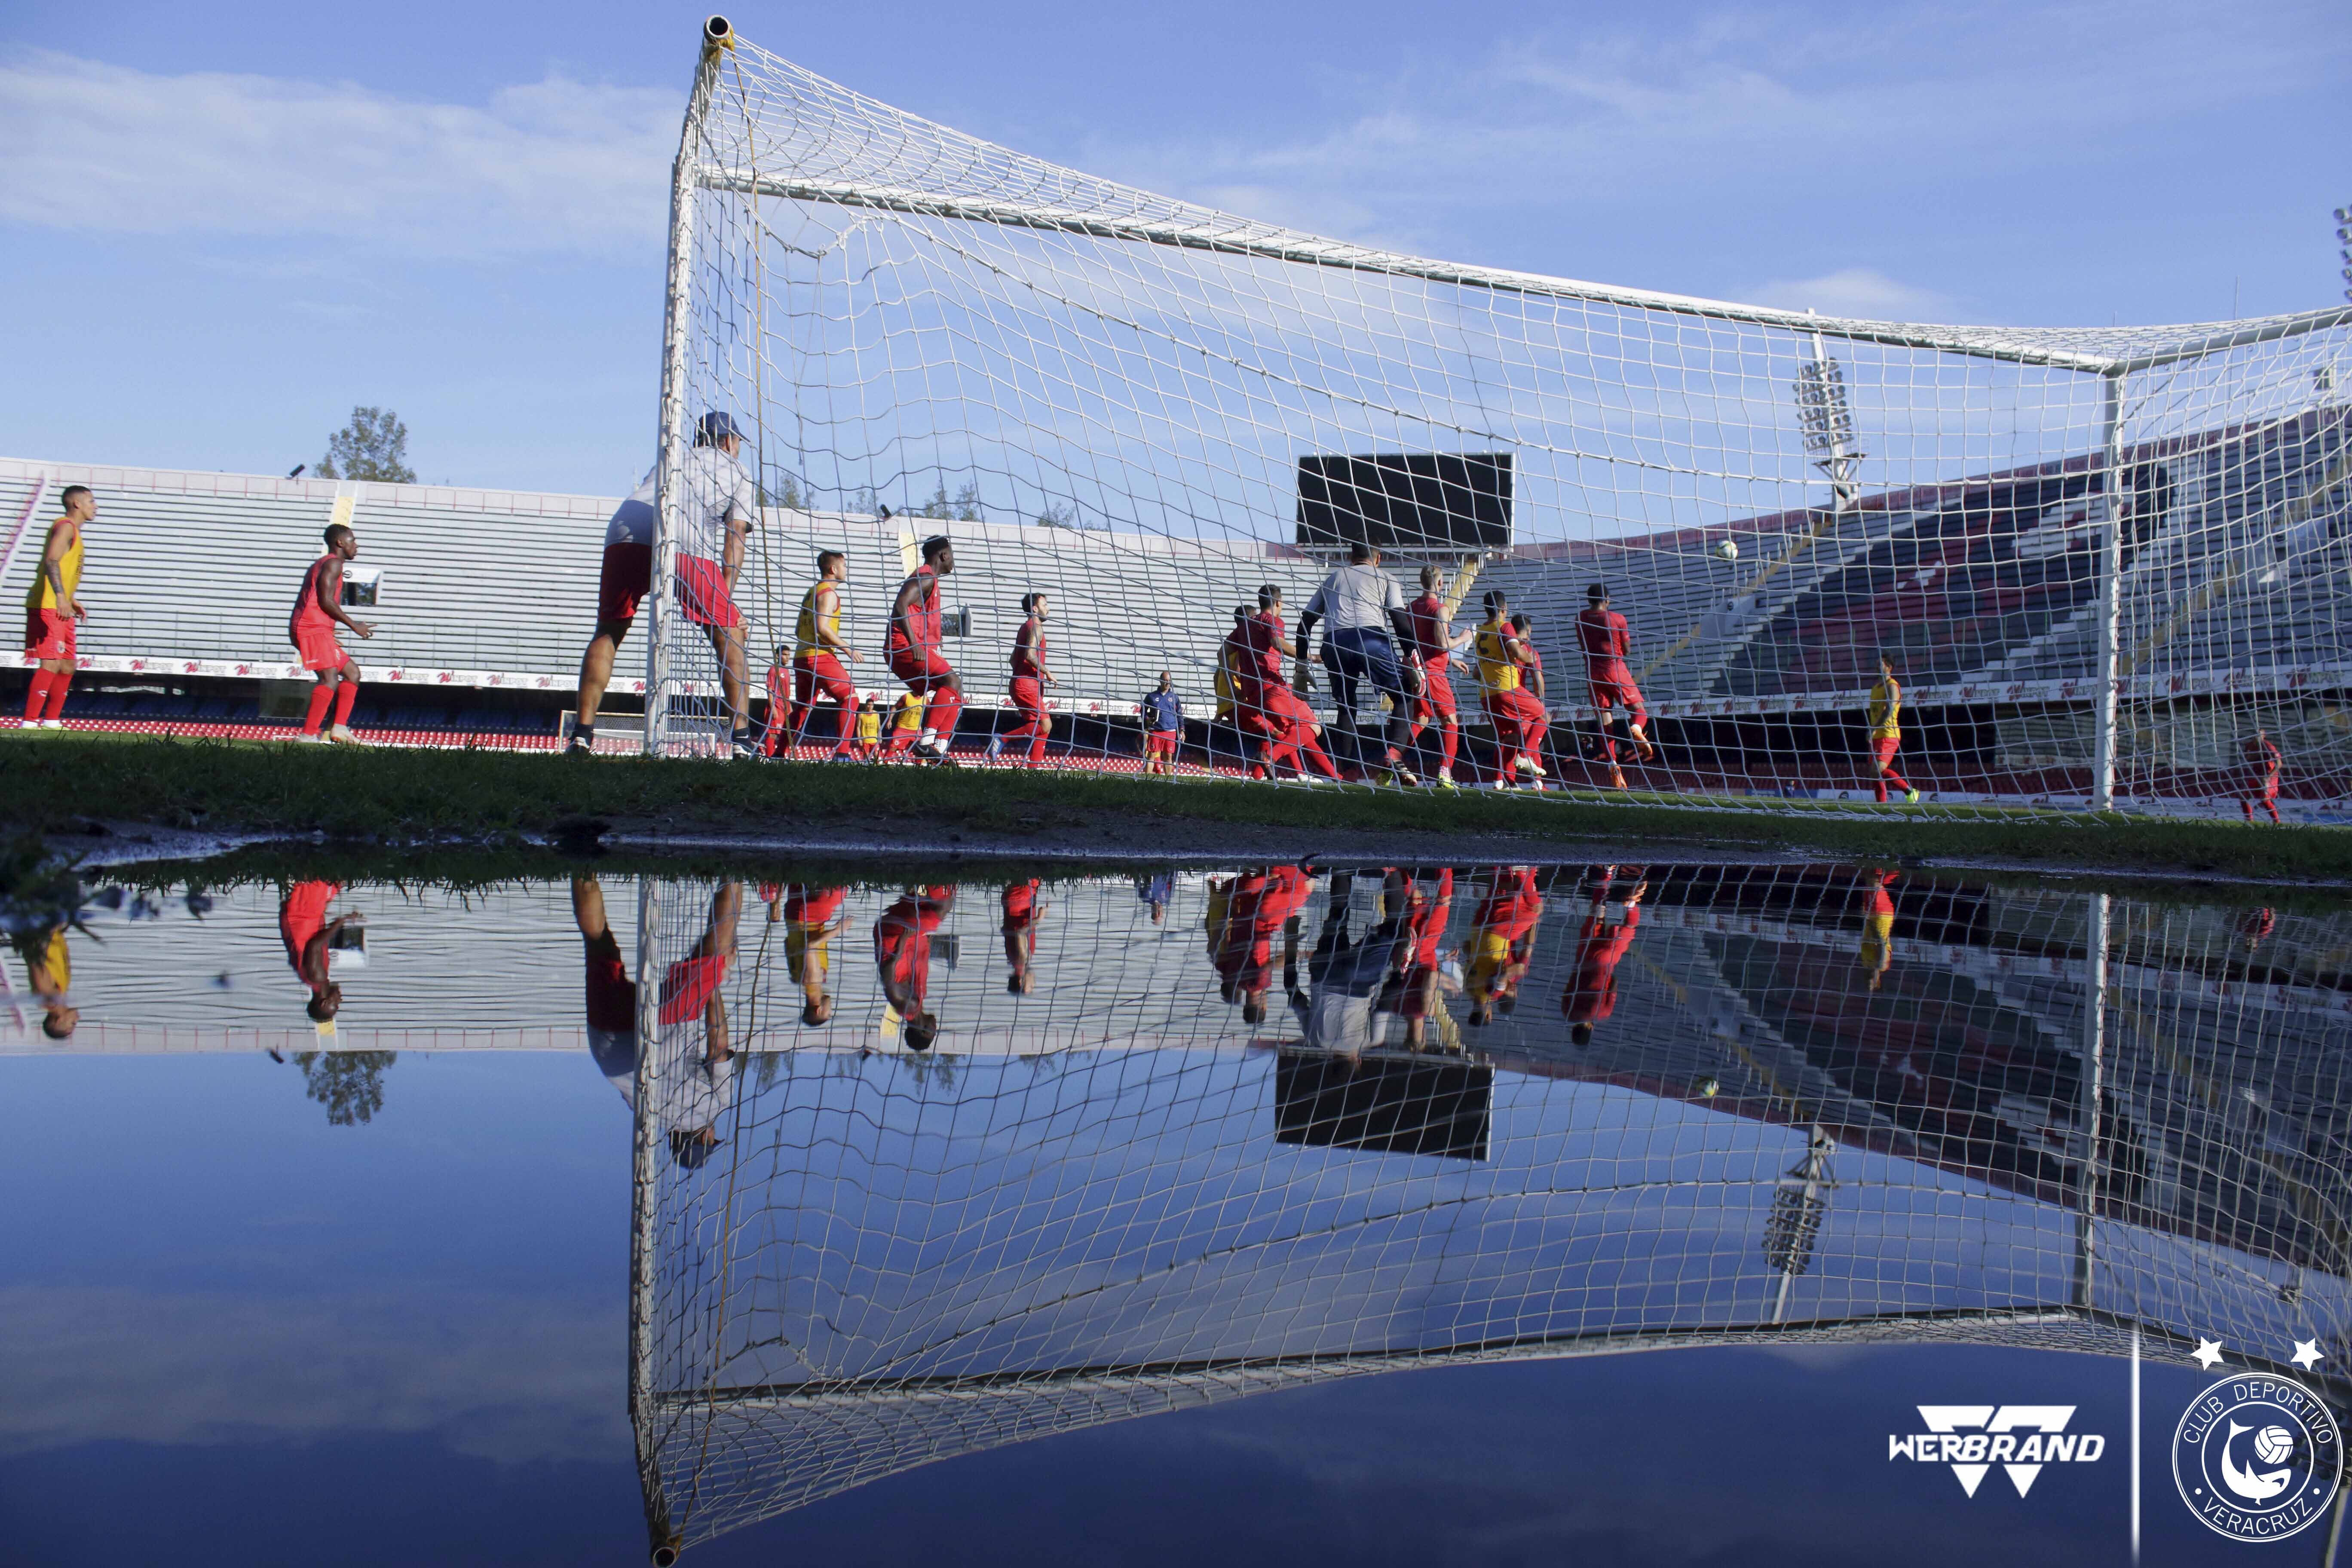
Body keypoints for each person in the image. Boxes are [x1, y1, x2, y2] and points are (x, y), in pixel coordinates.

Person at [570, 412, 760, 758]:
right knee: (730, 632)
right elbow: (735, 540)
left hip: (626, 528)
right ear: (727, 441)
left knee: (609, 630)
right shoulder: (738, 471)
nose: (738, 449)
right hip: (681, 536)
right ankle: (741, 739)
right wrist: (727, 604)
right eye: (737, 442)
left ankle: (581, 736)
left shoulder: (671, 458)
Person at [1295, 542, 1421, 784]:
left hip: (1335, 643)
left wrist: (1301, 668)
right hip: (1371, 640)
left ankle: (1348, 773)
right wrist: (1413, 657)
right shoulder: (1386, 578)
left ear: (1351, 557)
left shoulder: (1333, 579)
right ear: (1379, 558)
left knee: (1346, 706)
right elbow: (1399, 620)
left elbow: (1304, 625)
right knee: (1404, 696)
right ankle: (1393, 755)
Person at [654, 882, 743, 1169]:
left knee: (719, 952)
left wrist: (714, 985)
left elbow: (718, 1044)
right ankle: (736, 877)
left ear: (705, 1138)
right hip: (641, 1020)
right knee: (713, 948)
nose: (714, 1135)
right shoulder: (652, 1114)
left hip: (677, 1017)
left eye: (712, 1140)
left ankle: (732, 870)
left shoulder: (716, 1107)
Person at [284, 524, 375, 745]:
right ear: (340, 543)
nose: (357, 546)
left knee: (352, 673)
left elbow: (310, 600)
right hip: (311, 627)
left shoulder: (325, 564)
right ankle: (307, 736)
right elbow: (326, 601)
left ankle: (340, 728)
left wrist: (326, 630)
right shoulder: (333, 564)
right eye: (353, 541)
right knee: (330, 679)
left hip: (316, 628)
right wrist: (354, 626)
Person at [1239, 585, 1340, 782]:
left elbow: (1224, 652)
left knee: (1290, 732)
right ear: (1279, 603)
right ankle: (1272, 758)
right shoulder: (1273, 620)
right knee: (1313, 726)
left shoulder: (1245, 625)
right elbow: (1278, 643)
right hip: (1271, 686)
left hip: (1251, 694)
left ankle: (1336, 777)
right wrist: (1310, 657)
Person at [769, 549, 861, 759]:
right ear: (834, 569)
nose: (846, 570)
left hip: (801, 657)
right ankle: (842, 756)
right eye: (844, 566)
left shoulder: (811, 593)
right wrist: (848, 649)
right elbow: (823, 628)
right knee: (850, 699)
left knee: (803, 708)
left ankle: (779, 754)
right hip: (819, 657)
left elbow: (797, 630)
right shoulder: (828, 593)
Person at [21, 484, 92, 730]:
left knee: (68, 665)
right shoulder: (66, 527)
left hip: (61, 605)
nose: (96, 507)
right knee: (51, 662)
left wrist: (70, 599)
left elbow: (61, 567)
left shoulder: (74, 532)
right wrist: (61, 596)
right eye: (92, 501)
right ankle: (29, 722)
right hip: (49, 605)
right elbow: (52, 560)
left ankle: (52, 721)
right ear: (77, 504)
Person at [887, 535, 963, 763]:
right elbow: (900, 604)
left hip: (914, 647)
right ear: (944, 555)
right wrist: (914, 643)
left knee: (956, 692)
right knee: (952, 682)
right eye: (952, 555)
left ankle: (938, 750)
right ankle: (926, 743)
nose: (954, 561)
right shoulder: (926, 577)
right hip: (903, 646)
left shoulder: (931, 581)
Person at [1576, 584, 1656, 781]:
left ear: (1589, 600)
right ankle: (1637, 729)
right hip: (1614, 668)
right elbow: (1627, 649)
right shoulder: (1617, 619)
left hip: (1593, 673)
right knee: (1639, 710)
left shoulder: (1580, 618)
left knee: (1605, 719)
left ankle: (1613, 763)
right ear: (1608, 600)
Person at [1404, 565, 1473, 787]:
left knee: (1420, 721)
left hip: (1416, 673)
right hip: (1434, 675)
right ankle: (1445, 774)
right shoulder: (1440, 609)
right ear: (1441, 583)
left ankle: (1390, 762)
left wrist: (1450, 660)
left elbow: (1421, 643)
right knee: (1451, 721)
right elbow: (1442, 643)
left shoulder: (1410, 608)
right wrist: (1463, 638)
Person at [1473, 591, 1549, 787]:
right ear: (1504, 609)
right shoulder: (1505, 627)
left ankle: (1502, 782)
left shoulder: (1481, 632)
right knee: (1543, 716)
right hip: (1508, 690)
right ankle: (1526, 759)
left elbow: (1476, 674)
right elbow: (1518, 654)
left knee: (1508, 738)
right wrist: (1530, 658)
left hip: (1487, 696)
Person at [574, 874, 639, 1102]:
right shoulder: (642, 1109)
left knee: (700, 967)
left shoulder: (708, 1106)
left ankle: (583, 862)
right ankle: (582, 867)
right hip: (609, 1053)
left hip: (639, 1055)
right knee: (598, 943)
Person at [1562, 869, 1645, 1045]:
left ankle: (1631, 904)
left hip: (1607, 961)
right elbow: (1570, 984)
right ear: (1573, 1030)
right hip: (1585, 955)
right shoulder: (1567, 1011)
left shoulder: (1603, 1013)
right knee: (1597, 912)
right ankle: (1607, 873)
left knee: (1630, 927)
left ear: (1590, 1029)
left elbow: (1614, 984)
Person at [1462, 866, 1544, 1026]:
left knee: (1535, 910)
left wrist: (1515, 970)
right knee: (1499, 888)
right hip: (1478, 929)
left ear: (1488, 1016)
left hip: (1498, 934)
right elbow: (1467, 949)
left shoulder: (1492, 994)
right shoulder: (1469, 989)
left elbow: (1499, 977)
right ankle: (1502, 862)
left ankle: (1524, 871)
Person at [876, 884, 956, 1049]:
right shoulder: (917, 1002)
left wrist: (900, 946)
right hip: (904, 936)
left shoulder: (907, 1006)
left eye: (934, 1033)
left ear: (924, 1031)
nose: (936, 1028)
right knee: (933, 905)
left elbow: (887, 978)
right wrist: (924, 942)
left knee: (942, 909)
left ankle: (943, 877)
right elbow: (916, 964)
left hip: (896, 936)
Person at [1393, 869, 1457, 1051]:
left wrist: (1448, 981)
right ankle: (1398, 865)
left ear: (1423, 1037)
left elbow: (1429, 979)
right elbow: (1407, 976)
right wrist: (1442, 959)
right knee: (1414, 899)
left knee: (1444, 901)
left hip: (1425, 946)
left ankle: (1445, 864)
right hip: (1410, 951)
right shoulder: (1398, 1008)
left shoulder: (1426, 1010)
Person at [990, 591, 1056, 766]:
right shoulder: (1036, 627)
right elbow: (1030, 655)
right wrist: (1047, 673)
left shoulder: (1025, 627)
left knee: (1040, 726)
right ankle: (1003, 739)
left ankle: (1034, 768)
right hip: (1027, 684)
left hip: (1022, 683)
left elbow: (1013, 659)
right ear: (1035, 609)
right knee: (1046, 725)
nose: (1048, 609)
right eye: (1045, 605)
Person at [280, 879, 357, 1022]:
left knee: (318, 878)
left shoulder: (317, 977)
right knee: (334, 882)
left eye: (336, 1005)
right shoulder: (310, 979)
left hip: (303, 916)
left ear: (324, 1003)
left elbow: (315, 945)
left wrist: (340, 924)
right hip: (305, 916)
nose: (340, 1000)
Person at [778, 882, 848, 1026]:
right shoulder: (797, 979)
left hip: (810, 916)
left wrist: (838, 931)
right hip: (792, 914)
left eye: (829, 1013)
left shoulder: (813, 982)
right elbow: (786, 944)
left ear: (819, 1010)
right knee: (799, 878)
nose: (831, 1010)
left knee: (840, 888)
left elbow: (810, 946)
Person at [1866, 654, 1920, 805]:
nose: (1876, 667)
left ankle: (1910, 791)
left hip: (1889, 735)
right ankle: (1882, 805)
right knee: (1875, 774)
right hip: (1876, 736)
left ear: (1889, 667)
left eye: (1880, 664)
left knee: (1877, 770)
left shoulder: (1893, 686)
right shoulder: (1875, 688)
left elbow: (1890, 709)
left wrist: (1873, 729)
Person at [11, 921, 77, 1038]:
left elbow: (36, 960)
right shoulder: (59, 995)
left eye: (73, 1023)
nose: (77, 1019)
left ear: (59, 1021)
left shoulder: (48, 999)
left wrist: (48, 927)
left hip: (41, 925)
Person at [1002, 878, 1044, 994]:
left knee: (1033, 871)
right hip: (1013, 901)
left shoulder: (1021, 962)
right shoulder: (1013, 960)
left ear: (1021, 982)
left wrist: (1039, 919)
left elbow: (1020, 932)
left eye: (1031, 987)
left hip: (1022, 900)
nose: (1034, 984)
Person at [1859, 869, 1898, 992]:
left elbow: (1866, 941)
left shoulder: (1866, 964)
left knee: (1870, 883)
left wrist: (1866, 913)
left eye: (1866, 983)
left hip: (1872, 916)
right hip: (1882, 915)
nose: (1868, 980)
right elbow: (1881, 943)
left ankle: (1882, 868)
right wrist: (1871, 925)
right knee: (1875, 884)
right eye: (1871, 983)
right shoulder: (1882, 965)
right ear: (1878, 983)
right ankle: (1895, 870)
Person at [1141, 671, 1184, 775]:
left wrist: (1182, 730)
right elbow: (1143, 709)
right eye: (1165, 681)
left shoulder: (1174, 697)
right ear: (1160, 681)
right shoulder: (1151, 696)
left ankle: (1168, 779)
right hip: (1155, 730)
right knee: (1151, 756)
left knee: (1168, 756)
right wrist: (1147, 718)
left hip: (1170, 731)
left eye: (1169, 681)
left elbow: (1179, 714)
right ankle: (1146, 780)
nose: (1168, 683)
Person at [2241, 728, 2283, 824]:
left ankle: (2277, 822)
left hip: (2270, 777)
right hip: (2257, 776)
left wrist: (2269, 777)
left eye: (2259, 735)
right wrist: (2257, 754)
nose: (2256, 737)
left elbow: (2280, 764)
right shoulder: (2249, 746)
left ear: (2264, 736)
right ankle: (2249, 821)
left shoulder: (2269, 746)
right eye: (2254, 734)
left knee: (2265, 800)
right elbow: (2248, 759)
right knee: (2243, 797)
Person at [883, 690, 925, 759]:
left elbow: (931, 709)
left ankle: (920, 764)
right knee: (893, 747)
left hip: (917, 730)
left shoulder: (925, 699)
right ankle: (885, 762)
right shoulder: (906, 697)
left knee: (921, 749)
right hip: (903, 728)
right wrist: (890, 720)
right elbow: (895, 707)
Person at [853, 694, 886, 760]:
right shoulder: (861, 715)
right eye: (869, 705)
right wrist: (859, 739)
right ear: (866, 705)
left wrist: (880, 737)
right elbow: (858, 727)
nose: (870, 706)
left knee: (877, 755)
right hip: (865, 740)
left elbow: (879, 726)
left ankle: (877, 765)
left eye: (872, 705)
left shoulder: (876, 714)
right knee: (866, 757)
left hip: (874, 739)